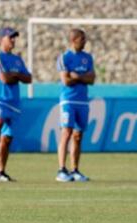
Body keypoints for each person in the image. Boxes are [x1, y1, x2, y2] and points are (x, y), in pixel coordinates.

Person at [0, 27, 32, 182]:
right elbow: (4, 78)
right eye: (10, 37)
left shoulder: (17, 59)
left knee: (7, 138)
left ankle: (2, 171)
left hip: (13, 102)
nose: (13, 40)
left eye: (14, 38)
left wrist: (15, 75)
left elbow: (28, 79)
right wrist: (17, 75)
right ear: (2, 39)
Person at [56, 28, 95, 182]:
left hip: (83, 101)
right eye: (82, 39)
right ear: (74, 40)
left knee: (78, 136)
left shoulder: (87, 57)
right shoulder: (64, 58)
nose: (85, 42)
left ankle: (75, 170)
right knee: (66, 132)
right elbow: (66, 80)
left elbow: (92, 79)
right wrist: (82, 77)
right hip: (68, 101)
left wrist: (77, 76)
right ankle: (61, 170)